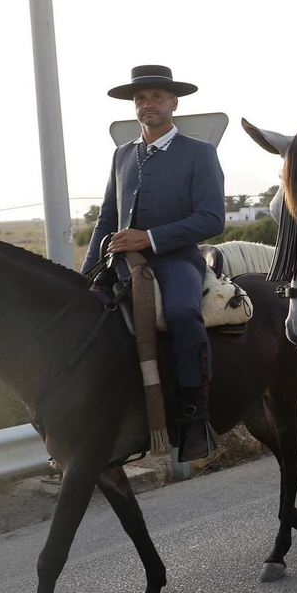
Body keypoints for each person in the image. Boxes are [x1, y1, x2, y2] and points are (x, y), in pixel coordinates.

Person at [82, 65, 226, 461]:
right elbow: (107, 220)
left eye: (157, 97)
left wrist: (149, 238)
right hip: (119, 261)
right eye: (141, 99)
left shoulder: (200, 153)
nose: (148, 104)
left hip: (176, 259)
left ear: (174, 102)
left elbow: (212, 218)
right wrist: (86, 274)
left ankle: (195, 414)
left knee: (181, 312)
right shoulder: (122, 155)